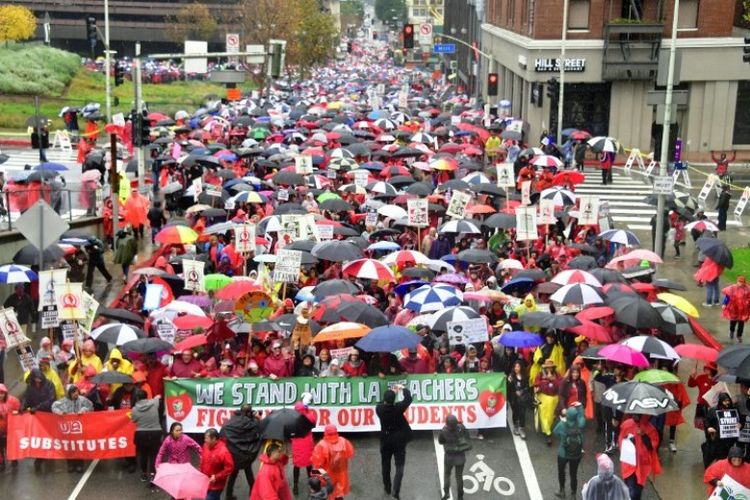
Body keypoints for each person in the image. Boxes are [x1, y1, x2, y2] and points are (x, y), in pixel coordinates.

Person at [376, 384, 412, 499]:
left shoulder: (379, 409)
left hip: (385, 440)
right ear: (393, 400)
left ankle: (387, 487)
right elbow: (408, 399)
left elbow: (383, 402)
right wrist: (402, 389)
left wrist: (391, 393)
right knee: (399, 466)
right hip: (399, 441)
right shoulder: (398, 409)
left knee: (385, 465)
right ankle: (396, 490)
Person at [220, 404, 262, 499]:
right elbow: (258, 428)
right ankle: (253, 495)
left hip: (234, 453)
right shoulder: (250, 422)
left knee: (234, 474)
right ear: (248, 412)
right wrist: (256, 418)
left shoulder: (234, 419)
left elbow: (224, 429)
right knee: (249, 473)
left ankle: (228, 495)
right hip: (246, 453)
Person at [618, 415, 662, 500]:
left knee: (635, 492)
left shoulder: (650, 428)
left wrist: (644, 436)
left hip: (641, 466)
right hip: (628, 463)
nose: (634, 415)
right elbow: (620, 440)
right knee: (630, 490)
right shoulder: (626, 424)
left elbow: (652, 447)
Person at [52, 385, 93, 473]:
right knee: (69, 447)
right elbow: (54, 407)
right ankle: (70, 465)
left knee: (79, 447)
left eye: (76, 391)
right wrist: (60, 412)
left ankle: (79, 465)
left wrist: (83, 410)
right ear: (69, 393)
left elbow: (91, 407)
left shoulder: (82, 400)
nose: (76, 394)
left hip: (79, 428)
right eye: (73, 392)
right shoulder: (63, 401)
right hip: (68, 429)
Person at [311, 424, 355, 500]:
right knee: (339, 494)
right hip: (341, 476)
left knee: (328, 495)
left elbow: (317, 465)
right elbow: (350, 454)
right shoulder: (344, 441)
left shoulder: (321, 445)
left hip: (327, 477)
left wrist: (314, 475)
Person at [553, 403, 585, 498]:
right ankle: (573, 494)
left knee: (561, 472)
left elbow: (555, 432)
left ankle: (562, 490)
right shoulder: (580, 424)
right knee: (573, 474)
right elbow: (581, 416)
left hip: (563, 453)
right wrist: (580, 407)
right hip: (576, 454)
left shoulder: (562, 424)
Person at [130, 389, 162, 483]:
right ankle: (153, 474)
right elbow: (158, 396)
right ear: (146, 396)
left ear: (137, 398)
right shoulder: (154, 403)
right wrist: (156, 397)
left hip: (141, 433)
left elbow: (134, 420)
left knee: (143, 455)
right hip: (155, 432)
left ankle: (144, 474)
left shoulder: (134, 409)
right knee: (153, 455)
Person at [438, 414, 471, 500]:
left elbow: (440, 441)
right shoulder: (461, 428)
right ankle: (460, 497)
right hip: (460, 457)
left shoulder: (444, 431)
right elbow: (467, 437)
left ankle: (446, 493)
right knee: (459, 477)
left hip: (449, 457)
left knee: (447, 475)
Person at [292, 397, 318, 495]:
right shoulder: (310, 416)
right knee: (309, 464)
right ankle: (312, 484)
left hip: (297, 445)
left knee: (297, 465)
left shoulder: (292, 419)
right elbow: (314, 422)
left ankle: (295, 486)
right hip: (308, 443)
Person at [200, 427, 235, 500]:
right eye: (205, 438)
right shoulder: (205, 446)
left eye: (207, 438)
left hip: (216, 485)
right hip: (205, 481)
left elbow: (229, 468)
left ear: (214, 439)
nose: (205, 440)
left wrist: (217, 477)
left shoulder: (224, 452)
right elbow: (203, 460)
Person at [534, 359, 561, 445]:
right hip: (544, 398)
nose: (549, 369)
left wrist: (553, 380)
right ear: (544, 368)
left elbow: (561, 385)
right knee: (544, 416)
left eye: (551, 368)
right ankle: (548, 434)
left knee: (552, 416)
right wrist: (545, 381)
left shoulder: (557, 375)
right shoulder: (540, 375)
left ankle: (546, 429)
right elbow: (536, 386)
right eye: (547, 368)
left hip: (555, 398)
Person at [507, 359, 531, 439]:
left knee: (522, 412)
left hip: (522, 398)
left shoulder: (525, 376)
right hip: (514, 398)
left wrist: (522, 391)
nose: (516, 368)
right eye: (515, 367)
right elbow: (509, 388)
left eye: (518, 367)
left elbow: (527, 387)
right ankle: (516, 425)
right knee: (515, 412)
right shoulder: (511, 376)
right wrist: (509, 381)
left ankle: (521, 428)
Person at [723, 276, 750, 342]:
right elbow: (727, 296)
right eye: (739, 282)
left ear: (744, 282)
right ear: (737, 281)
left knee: (741, 323)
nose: (740, 283)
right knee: (733, 321)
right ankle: (732, 331)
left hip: (743, 310)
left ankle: (739, 335)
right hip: (734, 308)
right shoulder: (732, 288)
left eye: (742, 282)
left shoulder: (747, 289)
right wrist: (724, 303)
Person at [0, 383, 21, 471]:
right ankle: (1, 462)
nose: (0, 395)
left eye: (2, 393)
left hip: (11, 428)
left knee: (11, 445)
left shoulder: (13, 401)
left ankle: (13, 458)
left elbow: (19, 411)